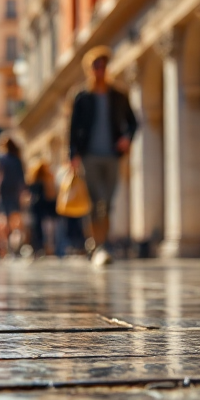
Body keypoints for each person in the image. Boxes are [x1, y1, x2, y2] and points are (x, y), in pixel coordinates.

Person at [69, 46, 138, 266]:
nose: (100, 70)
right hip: (89, 155)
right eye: (96, 66)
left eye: (103, 65)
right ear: (90, 69)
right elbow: (72, 128)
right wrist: (73, 155)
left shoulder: (118, 95)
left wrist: (127, 138)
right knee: (95, 201)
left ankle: (102, 242)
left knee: (108, 202)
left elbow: (133, 122)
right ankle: (99, 245)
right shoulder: (82, 97)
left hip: (112, 155)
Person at [0, 134, 26, 258]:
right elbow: (22, 179)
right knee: (15, 219)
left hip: (4, 191)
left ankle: (5, 246)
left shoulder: (0, 159)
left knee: (2, 220)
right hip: (15, 191)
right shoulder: (17, 159)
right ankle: (17, 240)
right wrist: (22, 193)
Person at [26, 159, 58, 257]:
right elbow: (51, 195)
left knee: (38, 230)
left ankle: (39, 248)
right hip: (47, 209)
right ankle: (48, 249)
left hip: (37, 209)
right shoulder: (47, 181)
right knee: (49, 232)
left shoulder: (32, 182)